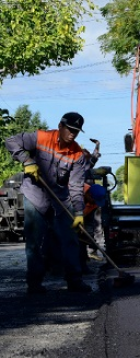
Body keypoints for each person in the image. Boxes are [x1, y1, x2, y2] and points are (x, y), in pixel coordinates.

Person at [5, 112, 93, 294]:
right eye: (70, 129)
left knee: (70, 239)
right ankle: (34, 284)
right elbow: (10, 141)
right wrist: (27, 160)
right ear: (60, 126)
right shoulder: (41, 137)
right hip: (35, 195)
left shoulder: (77, 154)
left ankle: (74, 280)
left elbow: (76, 186)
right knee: (35, 241)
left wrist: (78, 212)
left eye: (76, 131)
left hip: (60, 200)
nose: (72, 134)